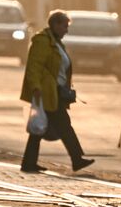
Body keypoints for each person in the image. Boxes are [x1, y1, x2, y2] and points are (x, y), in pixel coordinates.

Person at [20, 10, 94, 174]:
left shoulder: (56, 43)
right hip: (46, 93)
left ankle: (29, 162)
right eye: (65, 26)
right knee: (64, 127)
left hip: (56, 92)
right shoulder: (42, 41)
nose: (66, 30)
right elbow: (34, 66)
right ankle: (77, 159)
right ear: (55, 24)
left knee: (39, 129)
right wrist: (36, 87)